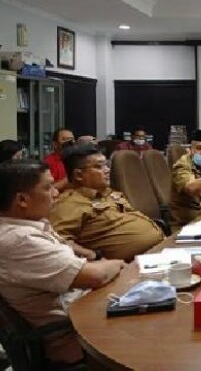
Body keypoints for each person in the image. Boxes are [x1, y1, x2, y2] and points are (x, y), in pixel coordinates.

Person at [0, 160, 124, 365]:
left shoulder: (29, 224)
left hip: (86, 313)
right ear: (22, 199)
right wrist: (118, 264)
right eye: (48, 187)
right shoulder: (20, 240)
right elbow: (94, 276)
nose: (56, 193)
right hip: (76, 338)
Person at [49, 144, 165, 261]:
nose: (107, 170)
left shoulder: (108, 193)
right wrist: (92, 255)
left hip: (157, 251)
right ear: (79, 175)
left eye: (106, 165)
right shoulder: (69, 204)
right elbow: (56, 241)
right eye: (99, 167)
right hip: (127, 266)